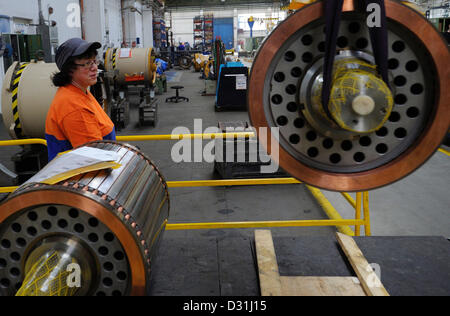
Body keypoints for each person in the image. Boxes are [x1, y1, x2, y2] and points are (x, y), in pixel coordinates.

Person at [45, 38, 116, 161]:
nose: (94, 68)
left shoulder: (80, 91)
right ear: (69, 70)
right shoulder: (74, 106)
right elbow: (94, 159)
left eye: (94, 61)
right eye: (87, 63)